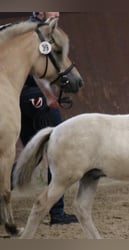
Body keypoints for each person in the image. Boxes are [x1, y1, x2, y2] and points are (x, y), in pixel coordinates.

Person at [13, 12, 78, 225]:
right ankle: (56, 212)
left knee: (33, 155)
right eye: (52, 9)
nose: (57, 13)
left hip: (22, 97)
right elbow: (38, 72)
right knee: (57, 147)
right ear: (39, 11)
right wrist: (50, 97)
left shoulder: (28, 30)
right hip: (35, 97)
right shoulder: (38, 34)